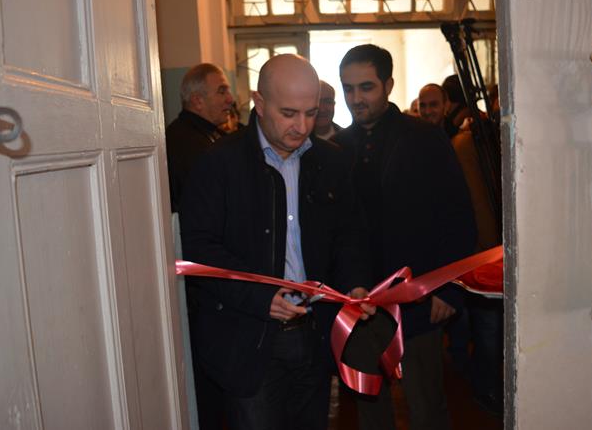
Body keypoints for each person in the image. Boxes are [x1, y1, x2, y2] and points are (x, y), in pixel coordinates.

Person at [181, 54, 375, 430]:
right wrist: (259, 296)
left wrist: (355, 283)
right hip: (248, 341)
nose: (301, 126)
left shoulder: (332, 161)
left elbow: (349, 234)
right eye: (288, 113)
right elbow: (200, 248)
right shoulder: (218, 164)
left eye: (310, 113)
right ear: (259, 103)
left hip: (315, 335)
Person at [333, 44, 477, 430]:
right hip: (359, 302)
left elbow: (457, 216)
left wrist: (448, 290)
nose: (356, 98)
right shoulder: (338, 148)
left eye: (366, 87)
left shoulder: (425, 139)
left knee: (426, 406)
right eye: (348, 88)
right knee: (370, 410)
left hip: (419, 301)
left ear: (388, 85)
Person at [166, 63, 233, 215]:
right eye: (222, 92)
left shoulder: (207, 133)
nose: (230, 99)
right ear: (197, 101)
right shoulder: (184, 141)